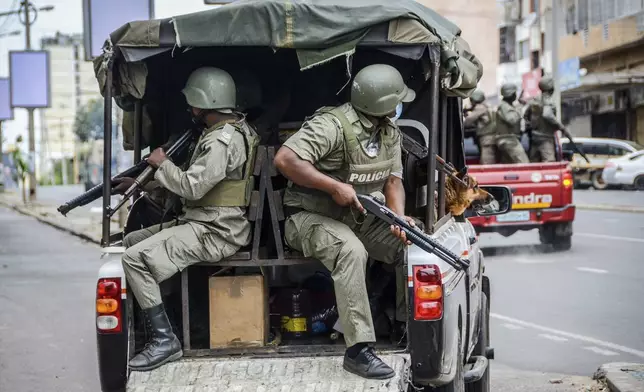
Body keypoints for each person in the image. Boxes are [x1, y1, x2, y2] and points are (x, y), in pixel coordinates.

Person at [273, 63, 415, 380]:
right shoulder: (332, 126)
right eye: (395, 100)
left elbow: (393, 182)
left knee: (410, 247)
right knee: (350, 250)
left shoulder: (389, 131)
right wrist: (332, 186)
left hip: (358, 218)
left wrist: (398, 218)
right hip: (307, 219)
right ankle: (358, 351)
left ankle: (407, 327)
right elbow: (285, 159)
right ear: (381, 104)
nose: (398, 105)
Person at [114, 66, 259, 372]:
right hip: (205, 222)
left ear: (207, 103)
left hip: (216, 231)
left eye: (194, 101)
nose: (190, 108)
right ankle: (169, 322)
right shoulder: (231, 131)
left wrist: (162, 164)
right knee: (131, 241)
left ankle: (165, 340)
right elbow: (202, 184)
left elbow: (193, 187)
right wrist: (144, 183)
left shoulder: (221, 141)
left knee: (134, 260)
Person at [523, 75, 566, 162]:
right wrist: (561, 127)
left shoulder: (534, 101)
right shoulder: (548, 101)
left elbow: (525, 115)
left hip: (535, 139)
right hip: (546, 140)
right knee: (549, 167)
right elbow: (547, 115)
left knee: (534, 166)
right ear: (551, 88)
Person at [495, 83, 529, 164]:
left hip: (508, 139)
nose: (515, 95)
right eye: (514, 93)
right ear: (510, 94)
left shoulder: (508, 106)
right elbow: (512, 120)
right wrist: (520, 107)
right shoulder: (504, 106)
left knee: (509, 166)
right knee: (524, 164)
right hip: (509, 140)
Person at [464, 89, 497, 164]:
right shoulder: (487, 106)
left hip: (487, 139)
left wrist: (466, 115)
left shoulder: (480, 107)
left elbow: (468, 122)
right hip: (490, 137)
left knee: (487, 162)